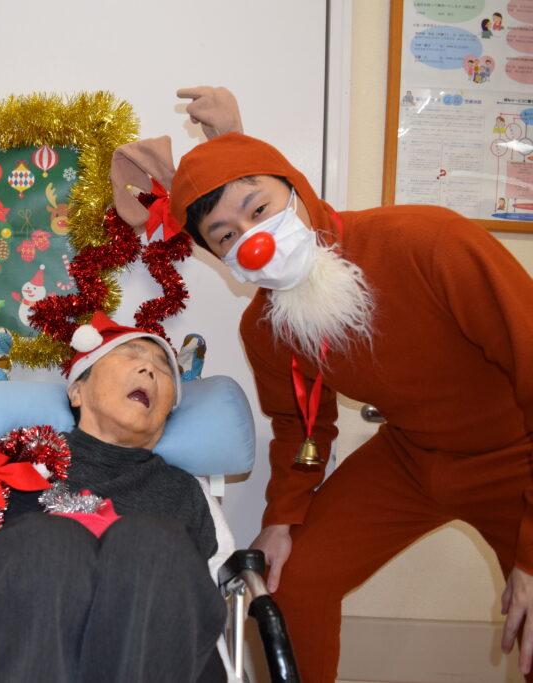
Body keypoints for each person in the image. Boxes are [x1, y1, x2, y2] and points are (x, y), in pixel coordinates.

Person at [166, 125, 533, 680]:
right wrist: (281, 518)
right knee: (292, 580)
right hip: (411, 459)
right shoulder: (264, 327)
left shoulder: (429, 240)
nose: (253, 237)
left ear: (297, 188)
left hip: (517, 455)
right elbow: (301, 426)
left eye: (259, 208)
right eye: (226, 236)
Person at [0, 311, 230, 683]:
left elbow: (200, 610)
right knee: (51, 542)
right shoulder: (21, 456)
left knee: (153, 543)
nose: (148, 370)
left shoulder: (188, 494)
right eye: (130, 355)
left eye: (163, 368)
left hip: (141, 662)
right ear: (76, 390)